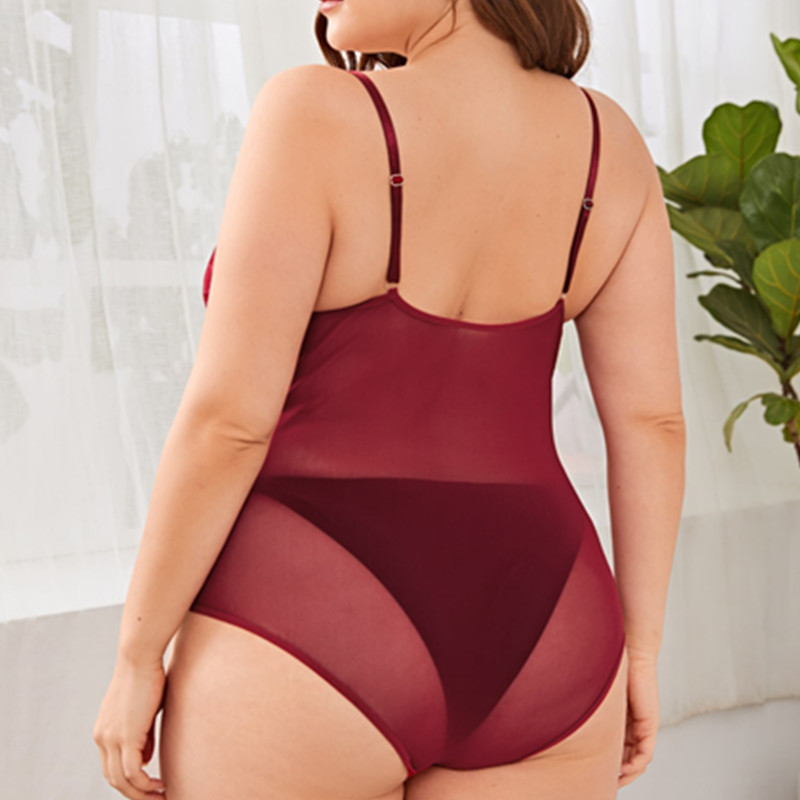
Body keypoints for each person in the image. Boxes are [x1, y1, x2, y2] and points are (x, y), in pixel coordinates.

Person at [92, 1, 686, 798]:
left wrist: (137, 656)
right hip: (549, 632)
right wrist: (640, 652)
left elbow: (229, 424)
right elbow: (652, 423)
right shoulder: (611, 143)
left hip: (305, 615)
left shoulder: (314, 111)